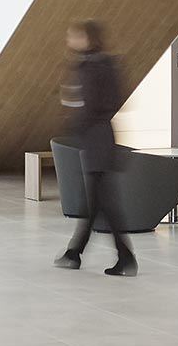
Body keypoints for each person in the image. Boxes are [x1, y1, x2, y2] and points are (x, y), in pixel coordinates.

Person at [54, 20, 134, 276]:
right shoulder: (104, 64)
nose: (70, 40)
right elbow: (113, 100)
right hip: (102, 138)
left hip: (94, 140)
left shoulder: (90, 67)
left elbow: (88, 105)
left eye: (74, 36)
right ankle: (75, 253)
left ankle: (122, 257)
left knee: (104, 204)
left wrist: (74, 124)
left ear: (87, 38)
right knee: (98, 202)